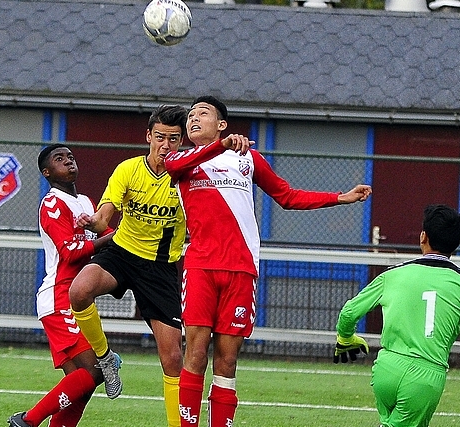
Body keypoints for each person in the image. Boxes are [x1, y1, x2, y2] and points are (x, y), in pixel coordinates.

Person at [164, 95, 372, 427]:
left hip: (241, 270)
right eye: (190, 115)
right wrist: (221, 147)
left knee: (227, 361)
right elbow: (172, 168)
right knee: (195, 354)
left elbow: (287, 196)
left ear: (221, 124)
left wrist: (339, 198)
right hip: (201, 267)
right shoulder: (183, 158)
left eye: (202, 113)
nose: (193, 118)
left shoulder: (248, 159)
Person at [68, 105, 248, 426]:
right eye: (160, 138)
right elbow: (104, 216)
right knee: (79, 291)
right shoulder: (128, 170)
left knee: (174, 359)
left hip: (161, 268)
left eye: (174, 139)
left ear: (182, 141)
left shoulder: (188, 174)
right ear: (149, 136)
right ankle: (106, 358)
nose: (166, 145)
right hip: (122, 253)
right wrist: (93, 221)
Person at [8, 144, 113, 427]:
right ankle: (28, 421)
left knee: (81, 382)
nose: (68, 161)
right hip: (59, 296)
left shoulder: (88, 203)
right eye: (59, 159)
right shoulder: (52, 203)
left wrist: (112, 238)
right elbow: (70, 252)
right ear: (47, 172)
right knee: (94, 371)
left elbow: (102, 246)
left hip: (79, 298)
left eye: (70, 157)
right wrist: (108, 239)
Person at [333, 204, 460, 427]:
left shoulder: (393, 274)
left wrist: (345, 339)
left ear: (423, 237)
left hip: (387, 369)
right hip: (426, 374)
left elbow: (349, 312)